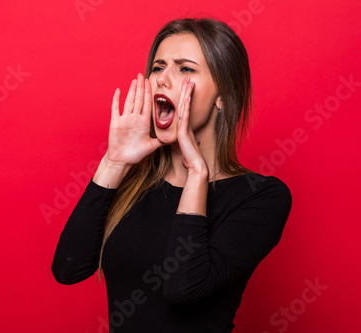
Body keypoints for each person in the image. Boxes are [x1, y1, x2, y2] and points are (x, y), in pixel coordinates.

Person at [51, 17, 292, 332]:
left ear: (223, 95)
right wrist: (114, 161)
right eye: (158, 67)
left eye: (186, 69)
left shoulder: (261, 197)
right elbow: (68, 268)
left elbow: (182, 288)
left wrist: (196, 175)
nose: (162, 79)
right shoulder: (135, 182)